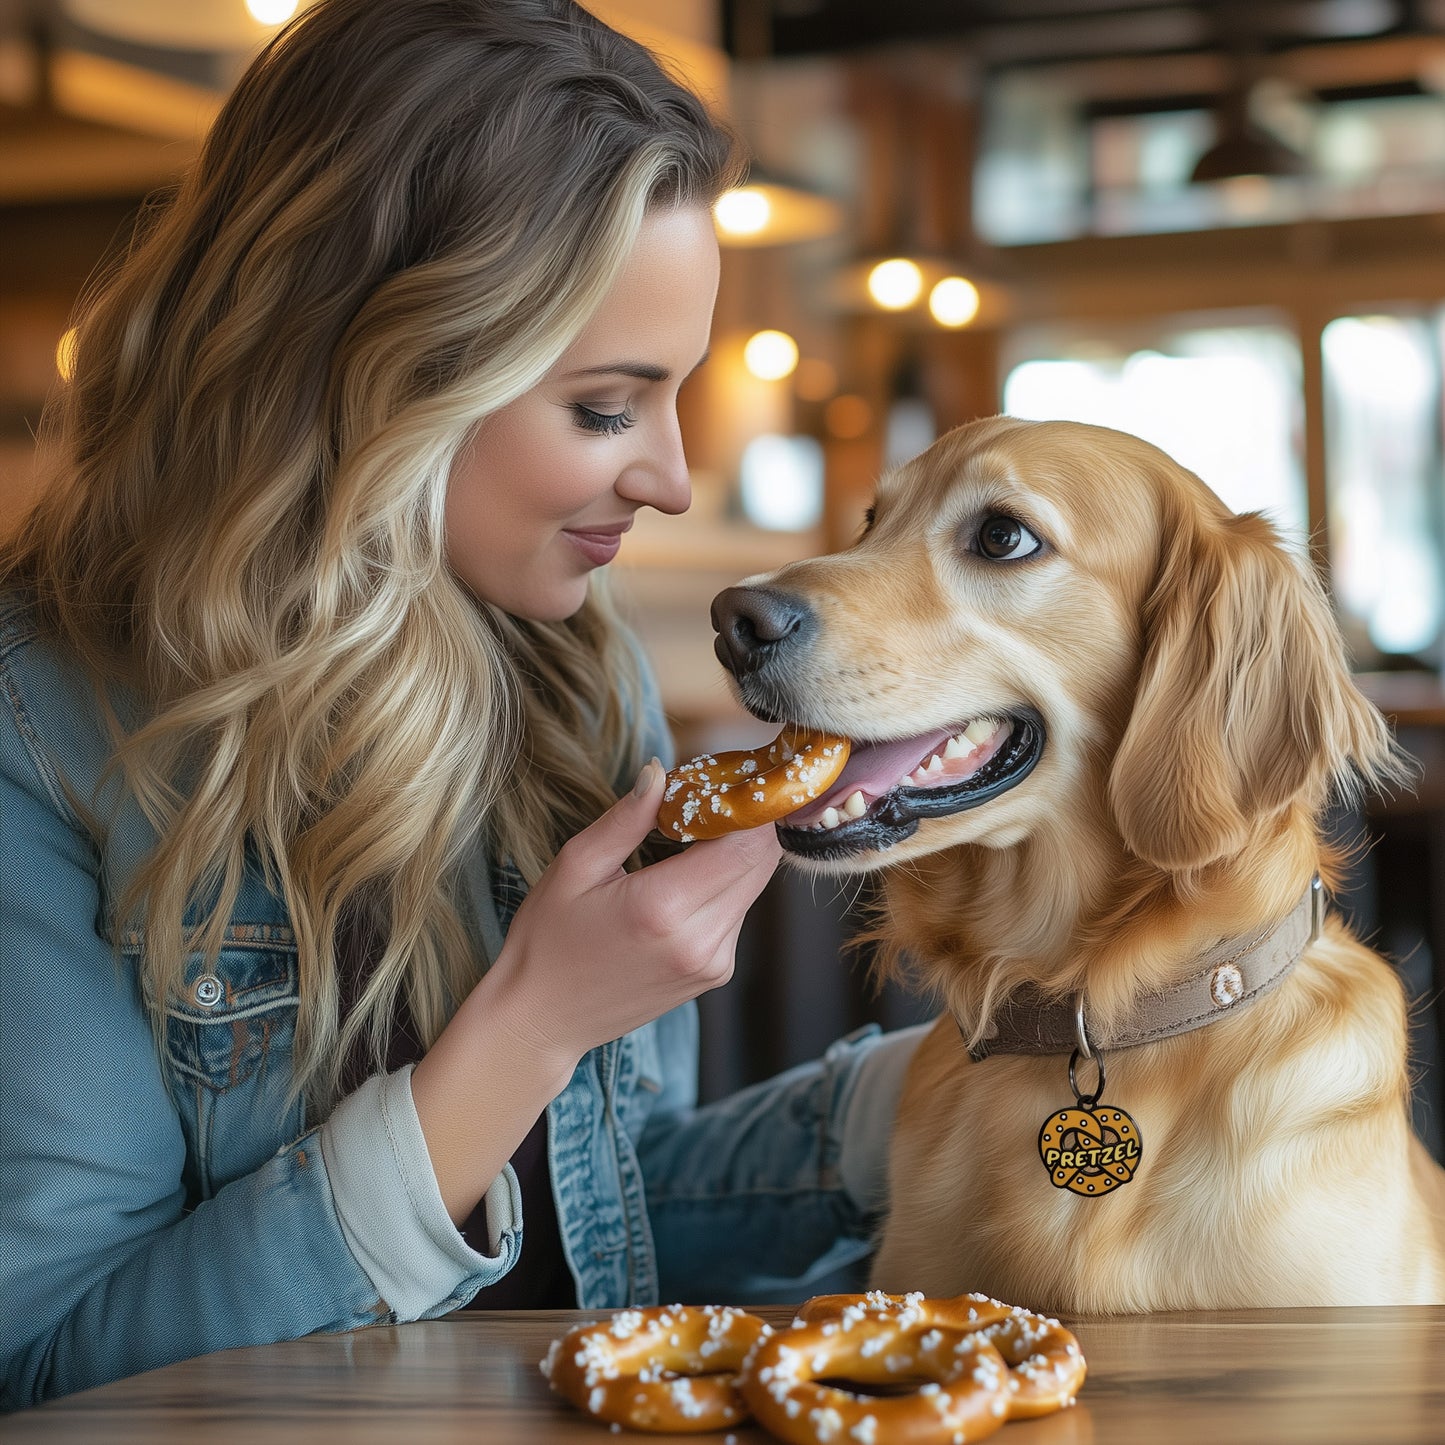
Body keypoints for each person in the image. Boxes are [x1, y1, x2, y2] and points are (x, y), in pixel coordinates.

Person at [0, 0, 921, 1411]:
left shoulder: (571, 669)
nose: (672, 478)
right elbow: (50, 1372)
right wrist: (533, 1022)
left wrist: (922, 1100)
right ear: (379, 368)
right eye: (609, 407)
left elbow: (606, 1213)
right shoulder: (41, 729)